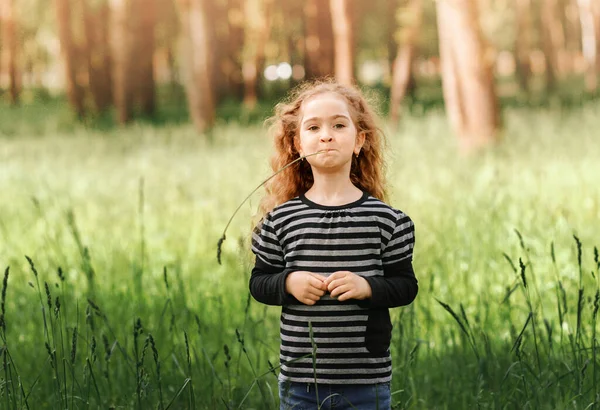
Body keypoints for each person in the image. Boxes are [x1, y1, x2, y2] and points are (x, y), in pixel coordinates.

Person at [250, 80, 418, 410]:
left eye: (339, 125)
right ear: (297, 144)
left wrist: (368, 287)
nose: (326, 135)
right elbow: (259, 283)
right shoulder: (280, 220)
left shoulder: (388, 221)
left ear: (360, 140)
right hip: (301, 380)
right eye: (314, 127)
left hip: (366, 381)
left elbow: (405, 287)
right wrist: (288, 282)